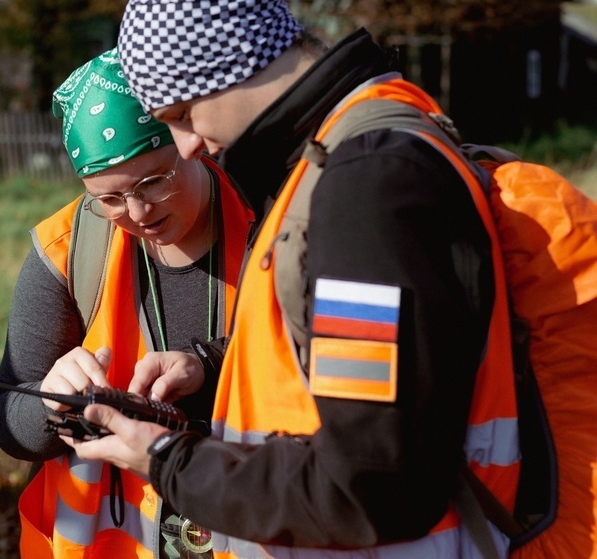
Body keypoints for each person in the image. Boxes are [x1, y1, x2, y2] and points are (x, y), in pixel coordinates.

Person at [59, 2, 521, 558]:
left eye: (182, 114)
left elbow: (369, 486)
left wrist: (166, 459)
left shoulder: (363, 188)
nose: (187, 146)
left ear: (228, 62)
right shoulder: (340, 160)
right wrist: (209, 364)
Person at [0, 47, 253, 559]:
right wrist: (47, 401)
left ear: (188, 141)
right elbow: (5, 418)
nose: (137, 212)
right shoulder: (67, 251)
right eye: (107, 199)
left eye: (153, 182)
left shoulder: (271, 223)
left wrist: (210, 365)